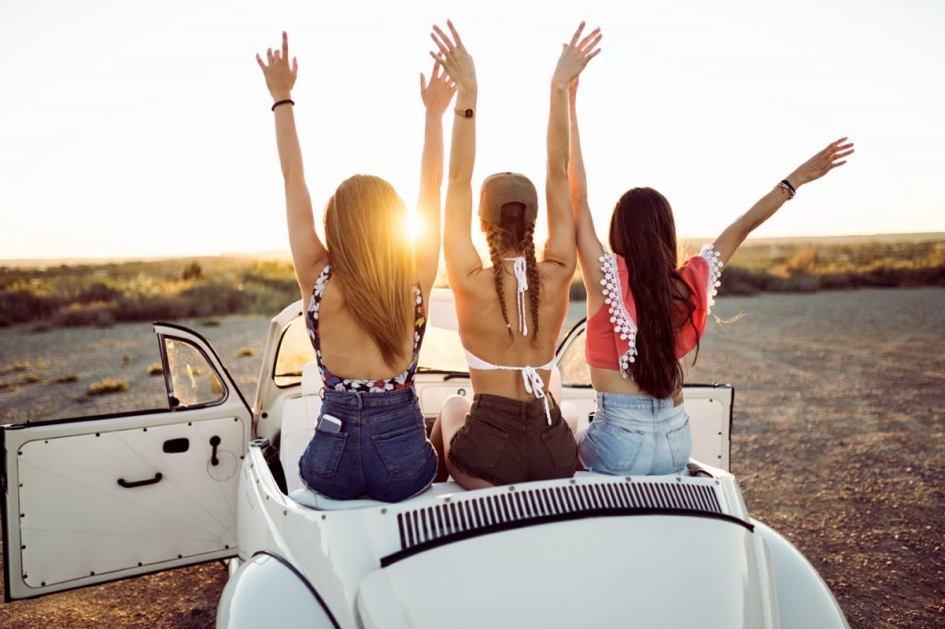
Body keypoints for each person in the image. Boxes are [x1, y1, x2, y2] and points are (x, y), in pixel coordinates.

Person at [568, 74, 855, 475]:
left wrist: (569, 107)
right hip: (676, 441)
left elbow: (576, 197)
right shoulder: (686, 285)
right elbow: (741, 226)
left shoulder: (606, 279)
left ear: (620, 232)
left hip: (620, 444)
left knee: (564, 432)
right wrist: (795, 181)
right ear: (667, 234)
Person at [256, 32, 454, 501]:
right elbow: (433, 188)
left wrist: (282, 98)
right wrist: (433, 115)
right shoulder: (412, 283)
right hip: (403, 466)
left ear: (335, 225)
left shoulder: (317, 277)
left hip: (332, 465)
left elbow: (292, 179)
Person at [429, 21, 601, 489]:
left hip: (489, 456)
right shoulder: (559, 269)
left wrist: (469, 93)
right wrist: (559, 87)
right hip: (552, 451)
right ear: (535, 221)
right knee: (558, 397)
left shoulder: (469, 278)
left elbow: (458, 180)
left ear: (482, 224)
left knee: (451, 407)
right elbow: (557, 171)